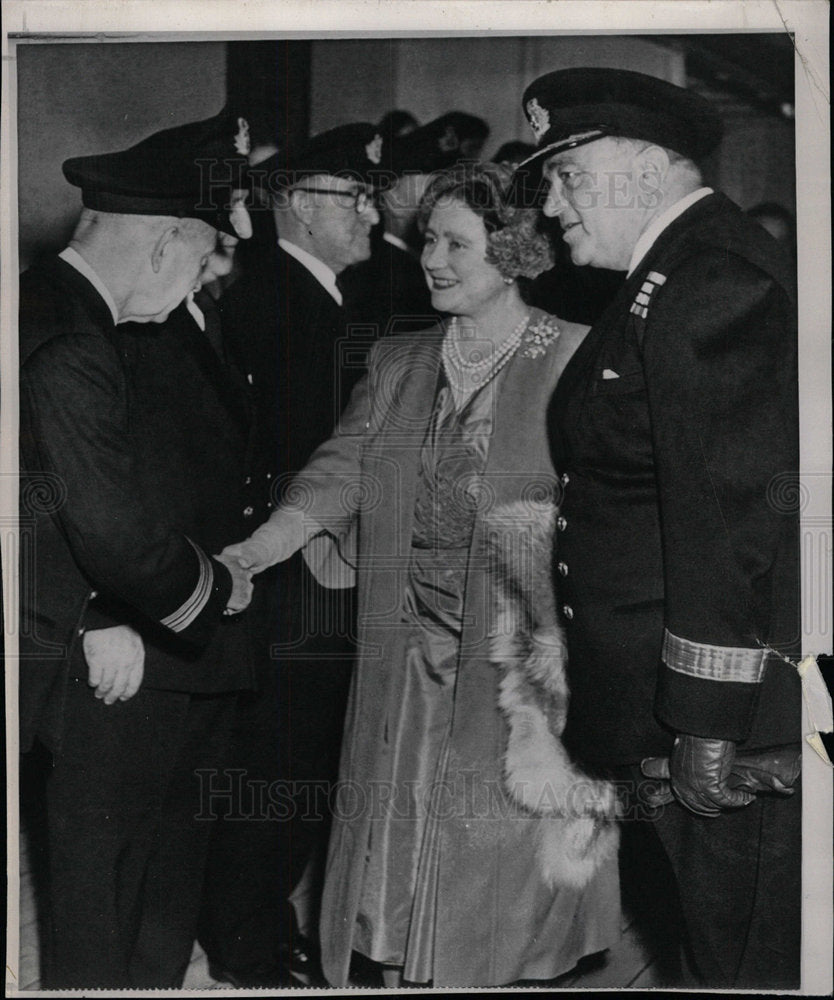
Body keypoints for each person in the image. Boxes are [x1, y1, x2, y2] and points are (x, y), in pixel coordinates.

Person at [221, 163, 622, 988]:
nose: (430, 259)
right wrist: (259, 549)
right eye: (428, 240)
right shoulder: (402, 359)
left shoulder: (571, 358)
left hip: (515, 662)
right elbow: (341, 469)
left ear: (511, 252)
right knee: (396, 838)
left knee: (498, 849)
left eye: (455, 244)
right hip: (405, 649)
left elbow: (616, 511)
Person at [513, 68, 801, 988]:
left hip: (719, 727)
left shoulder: (711, 280)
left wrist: (706, 724)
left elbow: (726, 522)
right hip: (663, 713)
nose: (552, 204)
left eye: (568, 174)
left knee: (746, 960)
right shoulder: (664, 279)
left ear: (648, 160)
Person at [18, 112, 257, 988]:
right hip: (73, 648)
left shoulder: (57, 307)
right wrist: (214, 588)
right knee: (96, 894)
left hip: (98, 628)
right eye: (200, 260)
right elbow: (107, 524)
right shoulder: (69, 340)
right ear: (162, 248)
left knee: (132, 879)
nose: (201, 281)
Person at [213, 122, 383, 982]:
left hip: (312, 555)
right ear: (297, 208)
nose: (371, 215)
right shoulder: (276, 300)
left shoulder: (317, 297)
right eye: (351, 198)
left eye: (368, 196)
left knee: (300, 755)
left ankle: (259, 917)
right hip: (297, 564)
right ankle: (246, 938)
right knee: (283, 756)